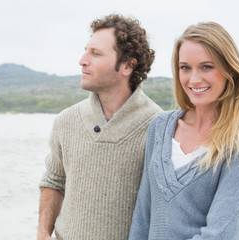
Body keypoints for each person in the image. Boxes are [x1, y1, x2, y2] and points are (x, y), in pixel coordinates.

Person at [128, 22, 239, 240]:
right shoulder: (160, 127)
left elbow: (222, 233)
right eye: (185, 67)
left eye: (206, 67)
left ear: (229, 69)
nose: (194, 79)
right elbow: (142, 216)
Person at [37, 14, 162, 240]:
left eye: (95, 53)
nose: (82, 60)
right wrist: (43, 233)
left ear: (127, 66)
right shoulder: (66, 121)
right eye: (86, 50)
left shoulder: (158, 127)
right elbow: (54, 182)